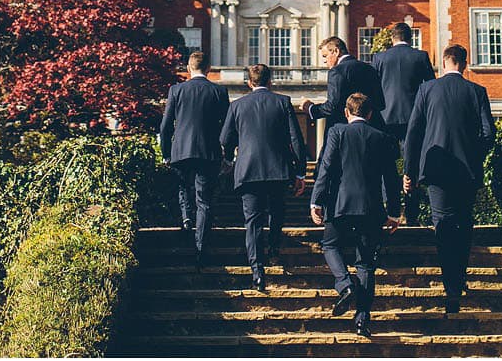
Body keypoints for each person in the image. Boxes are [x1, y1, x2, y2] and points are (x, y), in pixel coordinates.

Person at [403, 43, 495, 314]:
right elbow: (489, 134)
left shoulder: (427, 89)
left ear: (443, 63)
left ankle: (450, 287)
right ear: (464, 65)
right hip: (466, 170)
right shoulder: (477, 91)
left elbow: (414, 134)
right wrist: (471, 152)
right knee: (464, 225)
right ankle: (460, 279)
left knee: (442, 225)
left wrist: (409, 171)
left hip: (436, 170)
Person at [309, 92, 402, 338]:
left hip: (340, 203)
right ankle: (362, 321)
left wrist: (316, 201)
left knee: (330, 245)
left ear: (347, 112)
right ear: (370, 114)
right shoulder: (382, 137)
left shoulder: (336, 132)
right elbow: (391, 179)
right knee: (366, 264)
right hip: (371, 208)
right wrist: (394, 212)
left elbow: (326, 168)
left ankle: (344, 284)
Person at [218, 62, 308, 291]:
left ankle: (257, 271)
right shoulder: (282, 101)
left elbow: (226, 140)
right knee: (277, 212)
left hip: (248, 171)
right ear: (270, 81)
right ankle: (274, 249)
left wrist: (230, 160)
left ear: (249, 83)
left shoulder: (237, 105)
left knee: (253, 222)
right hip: (278, 169)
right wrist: (300, 171)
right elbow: (296, 139)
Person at [157, 50, 229, 266]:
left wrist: (165, 152)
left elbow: (166, 125)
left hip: (181, 150)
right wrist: (225, 149)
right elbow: (227, 125)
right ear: (208, 69)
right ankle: (201, 248)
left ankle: (187, 217)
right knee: (204, 200)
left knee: (182, 186)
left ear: (189, 68)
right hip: (208, 152)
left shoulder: (176, 90)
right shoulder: (219, 91)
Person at [370, 21, 436, 224]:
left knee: (386, 165)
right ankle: (412, 214)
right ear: (410, 38)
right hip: (413, 118)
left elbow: (373, 88)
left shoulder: (379, 57)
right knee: (412, 165)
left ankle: (390, 211)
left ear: (392, 38)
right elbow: (430, 88)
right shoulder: (421, 56)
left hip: (385, 118)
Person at [304, 35, 386, 133]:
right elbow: (381, 104)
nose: (324, 61)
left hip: (343, 132)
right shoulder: (370, 69)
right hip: (373, 130)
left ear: (336, 51)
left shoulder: (337, 71)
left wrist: (310, 108)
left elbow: (332, 107)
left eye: (325, 56)